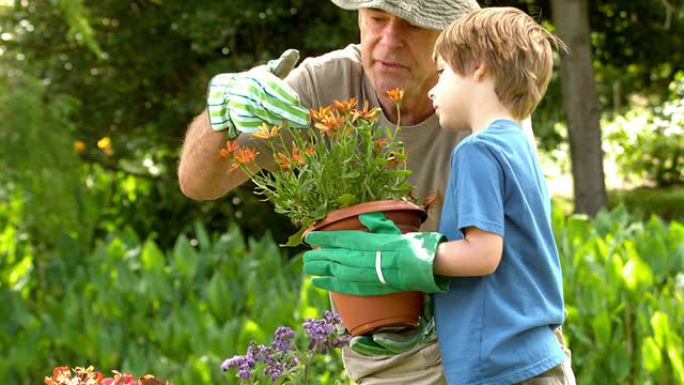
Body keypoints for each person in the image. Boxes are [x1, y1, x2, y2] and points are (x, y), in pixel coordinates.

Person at [303, 6, 576, 384]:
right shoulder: (517, 144)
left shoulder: (476, 150)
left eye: (444, 72)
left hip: (501, 366)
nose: (434, 87)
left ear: (478, 67)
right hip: (536, 355)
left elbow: (484, 253)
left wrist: (399, 258)